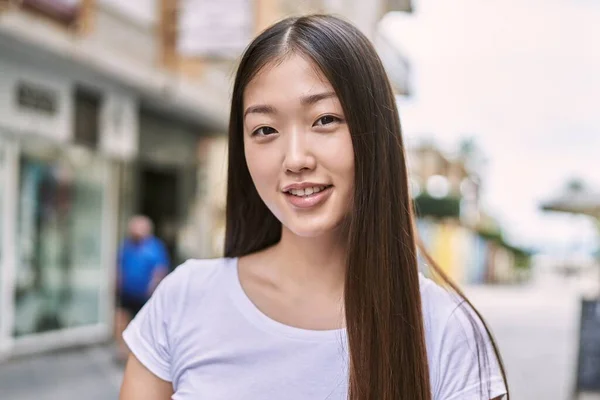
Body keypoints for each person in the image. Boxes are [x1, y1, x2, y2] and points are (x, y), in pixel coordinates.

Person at [120, 15, 509, 400]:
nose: (294, 159)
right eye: (265, 130)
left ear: (373, 133)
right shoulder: (184, 300)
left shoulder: (446, 329)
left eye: (324, 120)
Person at [115, 215, 169, 362]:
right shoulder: (126, 245)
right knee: (121, 320)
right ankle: (123, 351)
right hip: (127, 292)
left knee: (144, 326)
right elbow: (119, 265)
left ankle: (140, 355)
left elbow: (160, 269)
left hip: (145, 294)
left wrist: (153, 287)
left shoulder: (155, 247)